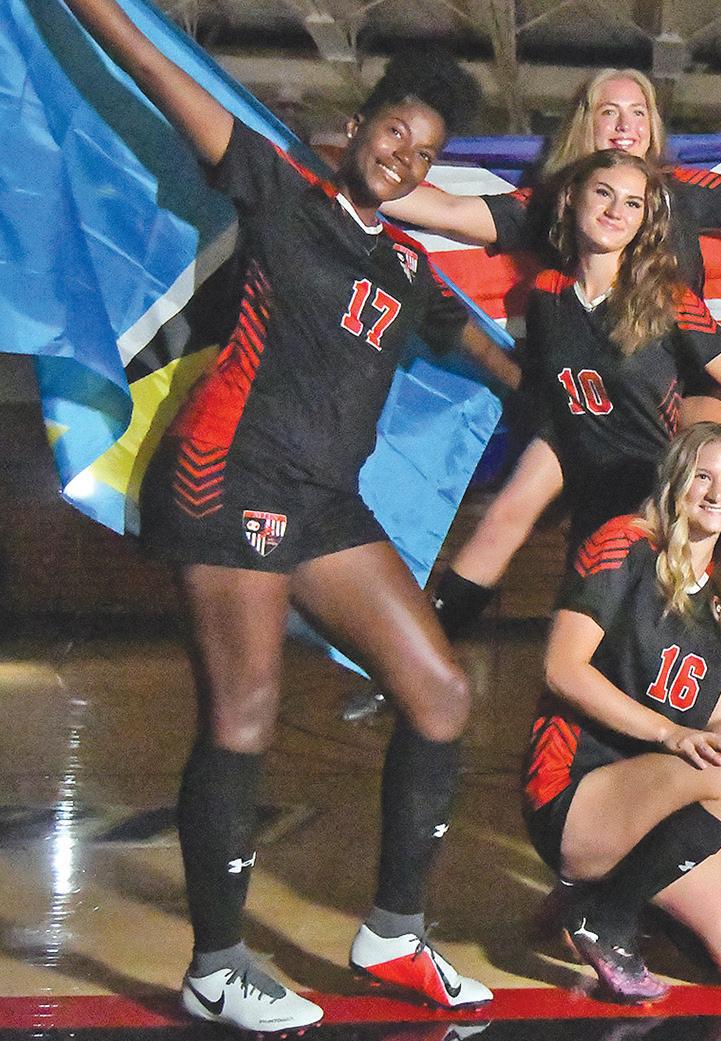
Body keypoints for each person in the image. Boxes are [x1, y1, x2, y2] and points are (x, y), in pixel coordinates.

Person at [63, 0, 504, 1030]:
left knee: (440, 694)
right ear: (356, 128)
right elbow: (157, 75)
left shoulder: (409, 266)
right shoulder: (279, 188)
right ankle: (216, 965)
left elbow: (485, 351)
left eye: (423, 153)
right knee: (245, 713)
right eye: (393, 132)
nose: (402, 158)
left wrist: (593, 401)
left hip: (321, 501)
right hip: (228, 475)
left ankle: (393, 933)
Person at [382, 69, 721, 641]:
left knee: (697, 487)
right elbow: (450, 211)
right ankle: (425, 646)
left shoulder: (678, 200)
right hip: (586, 397)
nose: (624, 125)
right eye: (608, 111)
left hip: (676, 386)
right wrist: (358, 180)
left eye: (638, 111)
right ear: (584, 129)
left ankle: (717, 628)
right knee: (510, 513)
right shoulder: (553, 217)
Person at [523, 423, 721, 1002]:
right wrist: (668, 733)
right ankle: (608, 917)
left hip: (663, 804)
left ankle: (604, 900)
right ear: (674, 482)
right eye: (702, 476)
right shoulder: (625, 541)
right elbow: (562, 668)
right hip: (576, 789)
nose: (718, 493)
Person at [516, 148, 721, 553]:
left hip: (657, 502)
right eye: (604, 193)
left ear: (644, 219)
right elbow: (545, 395)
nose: (616, 211)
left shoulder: (669, 299)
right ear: (572, 197)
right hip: (590, 499)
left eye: (633, 203)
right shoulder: (546, 293)